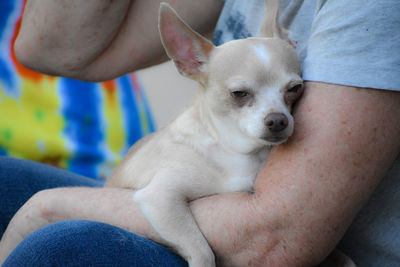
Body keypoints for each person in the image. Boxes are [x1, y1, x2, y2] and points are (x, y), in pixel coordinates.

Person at [1, 0, 399, 266]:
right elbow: (46, 49)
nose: (279, 113)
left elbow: (271, 240)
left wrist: (51, 207)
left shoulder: (369, 11)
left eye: (292, 91)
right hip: (187, 200)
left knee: (58, 246)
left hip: (264, 241)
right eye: (241, 94)